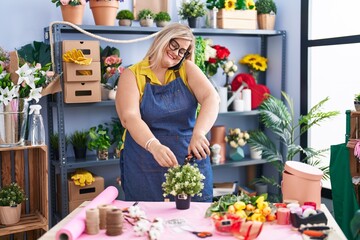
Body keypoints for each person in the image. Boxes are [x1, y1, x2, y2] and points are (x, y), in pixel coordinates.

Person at [115, 23, 220, 202]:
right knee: (146, 221)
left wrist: (199, 133)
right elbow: (129, 117)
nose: (177, 53)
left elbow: (211, 97)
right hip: (144, 162)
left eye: (183, 51)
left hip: (187, 159)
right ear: (161, 39)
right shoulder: (132, 75)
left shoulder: (186, 69)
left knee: (195, 222)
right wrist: (154, 146)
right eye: (174, 45)